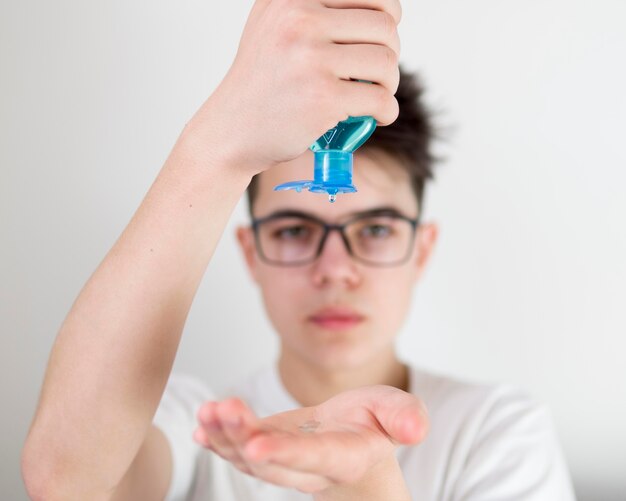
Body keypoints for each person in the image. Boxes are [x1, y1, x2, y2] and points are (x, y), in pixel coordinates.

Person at [21, 0, 576, 500]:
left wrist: (364, 478)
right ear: (251, 251)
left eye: (376, 230)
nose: (335, 271)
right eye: (294, 231)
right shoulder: (199, 425)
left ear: (422, 250)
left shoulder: (496, 432)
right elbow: (66, 483)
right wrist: (219, 144)